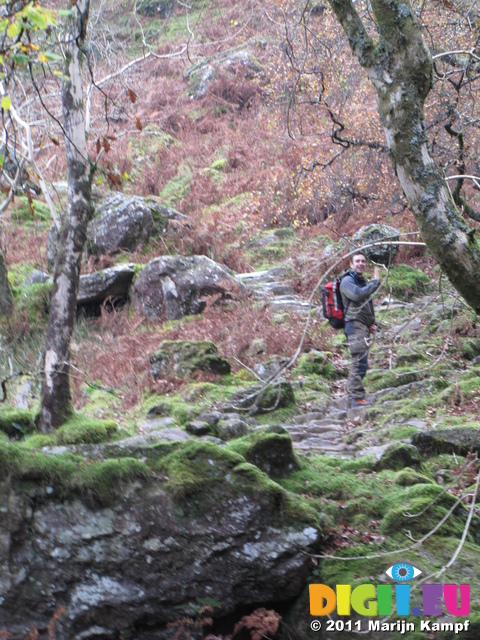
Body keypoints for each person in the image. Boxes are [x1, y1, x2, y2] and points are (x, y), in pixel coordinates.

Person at [340, 252, 381, 408]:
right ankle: (356, 398)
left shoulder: (360, 281)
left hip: (361, 325)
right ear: (351, 264)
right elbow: (357, 296)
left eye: (363, 261)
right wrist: (375, 282)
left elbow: (365, 306)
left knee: (361, 361)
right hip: (354, 325)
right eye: (357, 261)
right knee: (359, 362)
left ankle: (352, 398)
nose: (361, 263)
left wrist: (371, 323)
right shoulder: (347, 281)